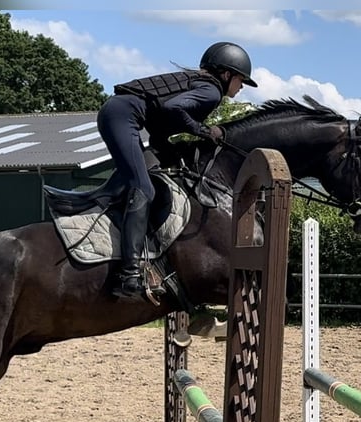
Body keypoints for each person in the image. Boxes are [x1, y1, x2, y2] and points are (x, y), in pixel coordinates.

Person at [97, 41, 258, 301]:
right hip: (122, 116)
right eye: (241, 81)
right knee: (143, 189)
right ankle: (129, 275)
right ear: (226, 74)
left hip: (122, 115)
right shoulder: (211, 92)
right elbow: (173, 110)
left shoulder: (199, 84)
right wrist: (205, 131)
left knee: (150, 176)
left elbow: (162, 126)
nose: (241, 88)